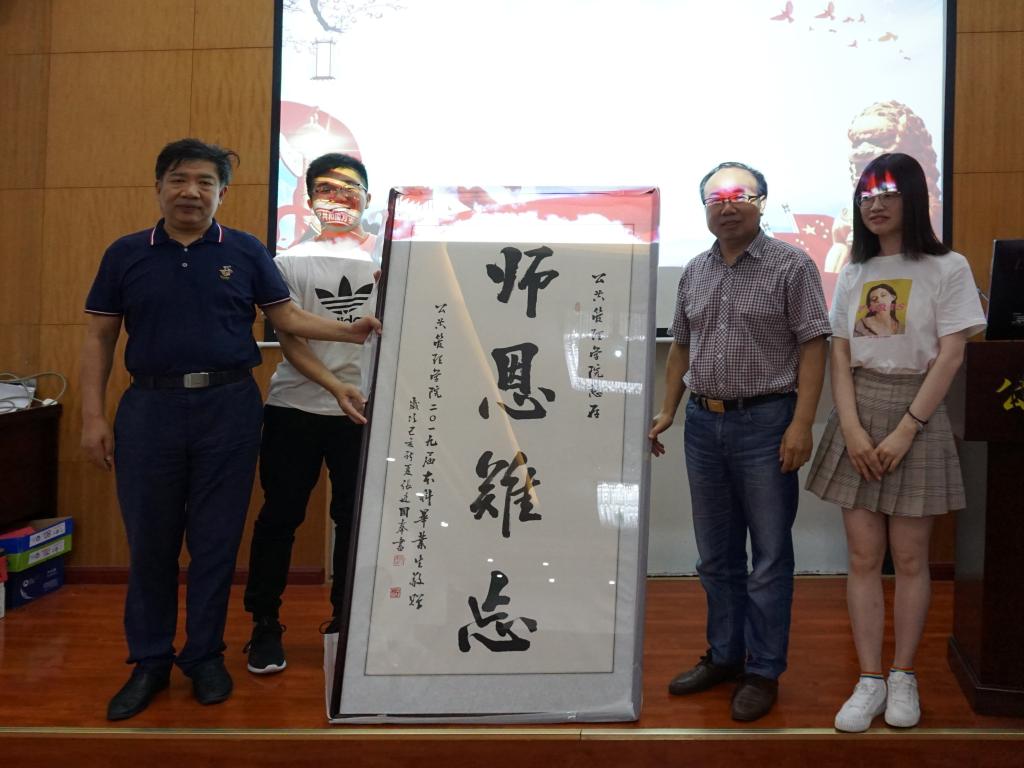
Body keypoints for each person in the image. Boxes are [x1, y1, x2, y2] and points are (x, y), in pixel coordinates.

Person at [80, 139, 381, 722]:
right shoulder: (125, 253)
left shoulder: (245, 251)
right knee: (151, 544)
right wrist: (93, 417)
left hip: (229, 408)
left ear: (222, 192)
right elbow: (99, 337)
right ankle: (149, 661)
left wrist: (351, 332)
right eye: (179, 180)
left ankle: (204, 656)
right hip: (149, 409)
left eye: (205, 182)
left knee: (216, 542)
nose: (191, 192)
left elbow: (286, 317)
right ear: (159, 186)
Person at [806, 153, 986, 732]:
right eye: (866, 195)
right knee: (863, 558)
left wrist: (909, 427)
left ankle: (903, 674)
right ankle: (869, 679)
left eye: (886, 193)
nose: (875, 204)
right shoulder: (854, 269)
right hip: (858, 409)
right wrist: (851, 427)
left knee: (910, 558)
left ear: (913, 196)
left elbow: (952, 354)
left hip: (920, 412)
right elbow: (838, 351)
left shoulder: (948, 266)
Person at [649, 161, 831, 722]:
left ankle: (763, 670)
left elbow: (814, 345)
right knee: (716, 556)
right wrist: (668, 409)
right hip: (703, 425)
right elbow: (681, 346)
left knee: (769, 557)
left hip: (767, 424)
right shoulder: (695, 271)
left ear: (761, 203)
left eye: (739, 195)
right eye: (715, 198)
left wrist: (802, 424)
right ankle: (726, 656)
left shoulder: (791, 265)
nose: (726, 205)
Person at [242, 153, 378, 674]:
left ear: (367, 196)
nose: (338, 198)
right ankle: (264, 625)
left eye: (349, 188)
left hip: (365, 411)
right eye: (326, 188)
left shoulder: (389, 259)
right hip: (295, 407)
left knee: (354, 519)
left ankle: (346, 622)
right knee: (280, 516)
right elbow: (290, 338)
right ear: (309, 199)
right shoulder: (287, 262)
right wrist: (335, 385)